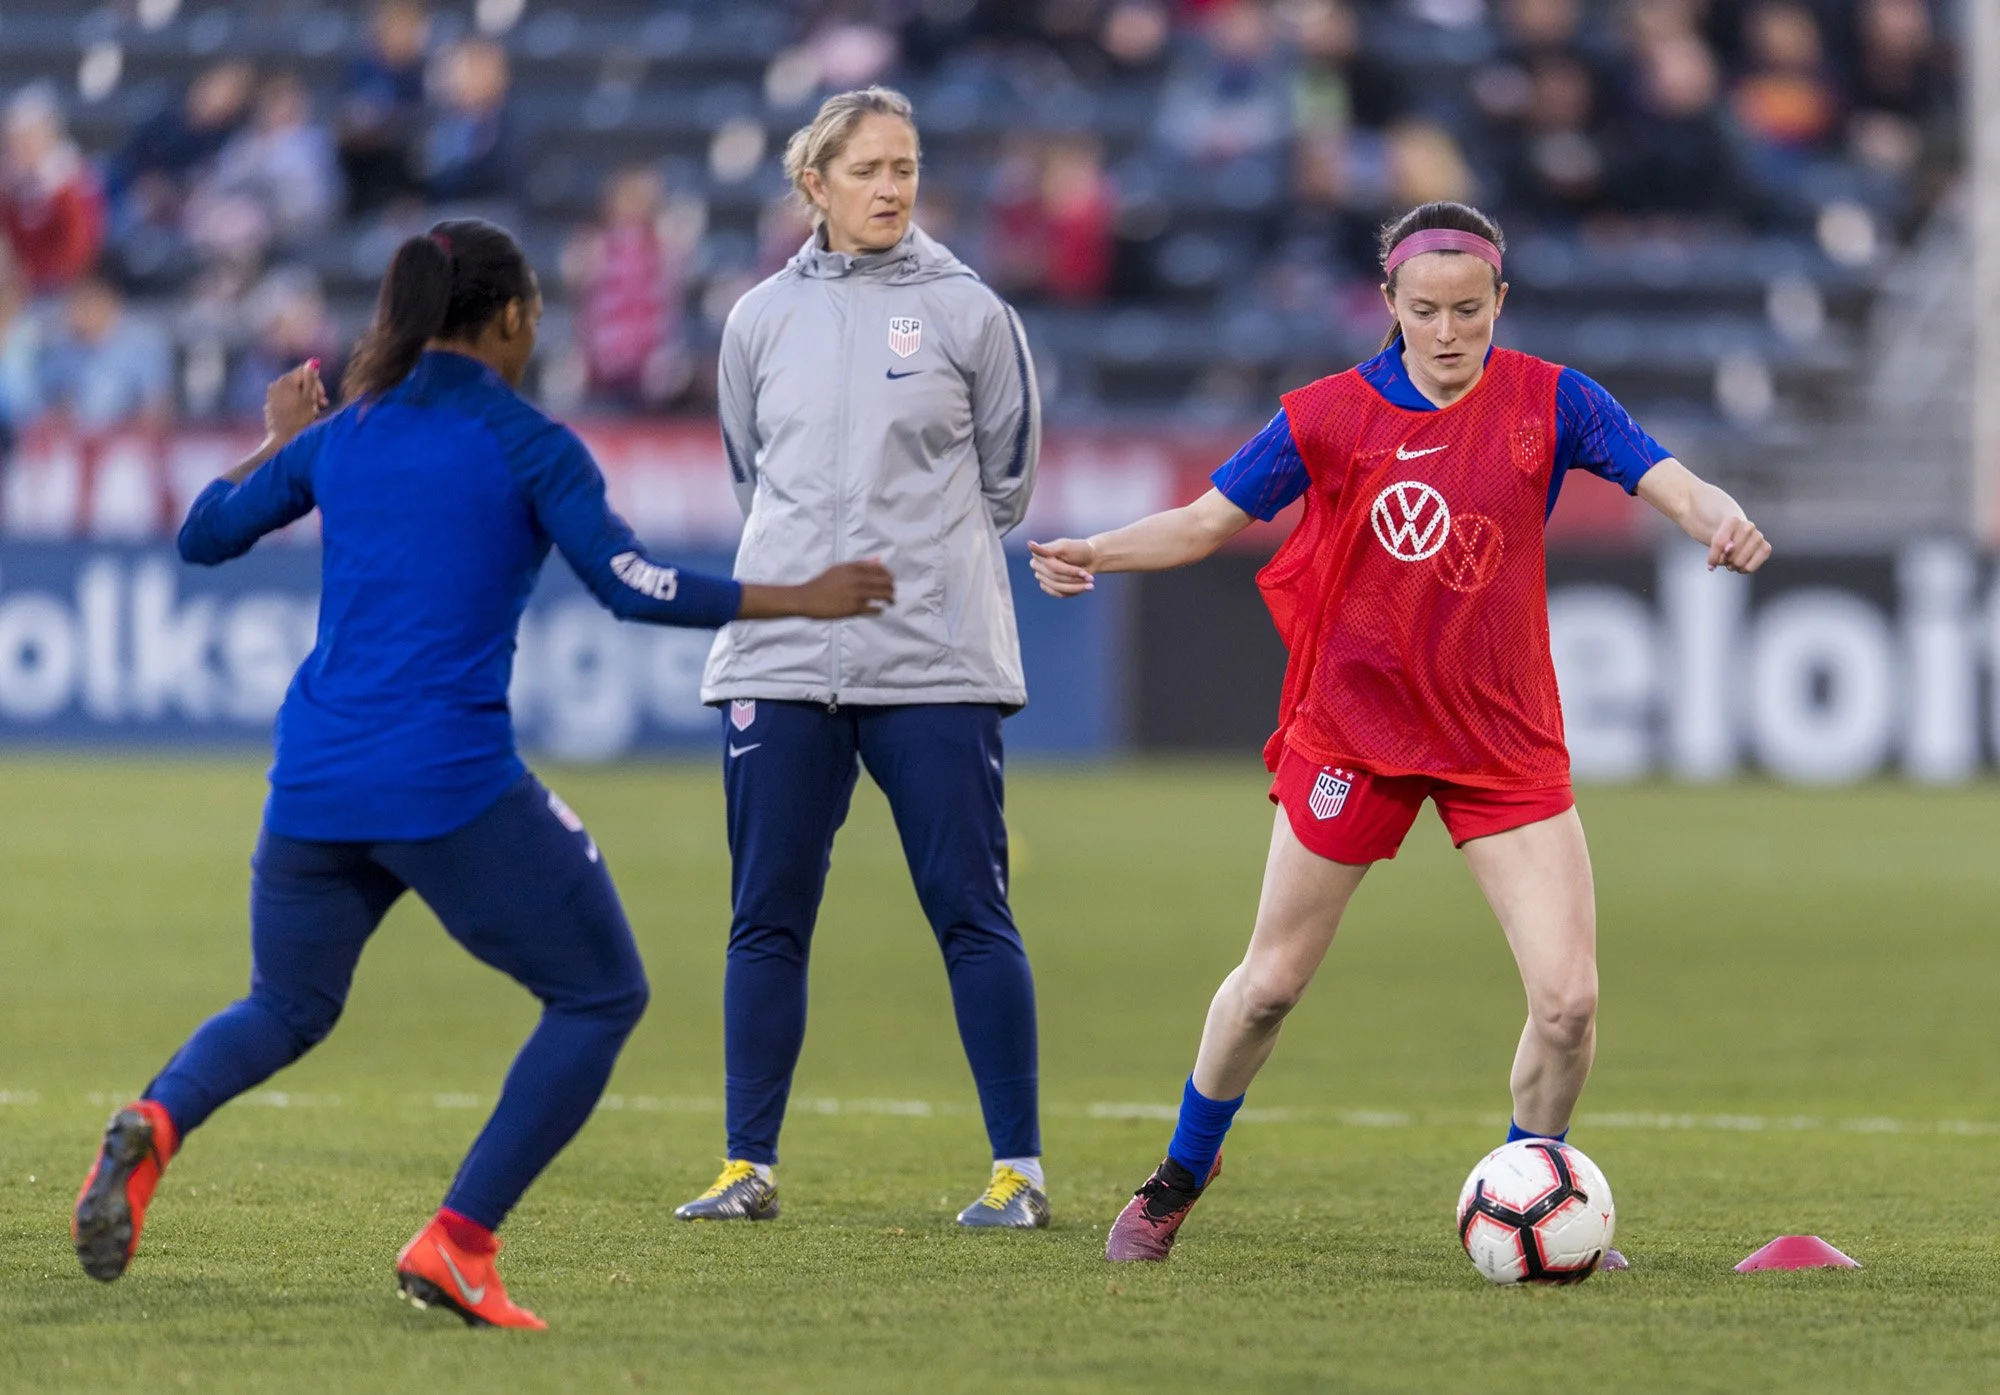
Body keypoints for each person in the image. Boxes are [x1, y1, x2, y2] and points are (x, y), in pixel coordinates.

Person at [69, 218, 892, 1327]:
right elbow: (630, 582)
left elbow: (204, 534)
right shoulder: (527, 441)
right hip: (443, 778)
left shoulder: (345, 434)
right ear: (508, 317)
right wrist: (800, 596)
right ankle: (457, 1244)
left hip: (313, 777)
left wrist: (277, 441)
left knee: (287, 1002)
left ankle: (155, 1125)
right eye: (536, 310)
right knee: (601, 993)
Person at [1028, 201, 1771, 1265]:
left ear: (1498, 302)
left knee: (1566, 1005)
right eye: (1424, 311)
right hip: (1354, 734)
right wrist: (1095, 550)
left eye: (1468, 310)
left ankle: (1535, 1181)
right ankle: (1179, 1174)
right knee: (1269, 985)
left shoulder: (1552, 401)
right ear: (1387, 305)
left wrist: (1720, 521)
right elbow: (1201, 523)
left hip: (1498, 740)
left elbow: (1669, 480)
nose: (1447, 331)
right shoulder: (1327, 415)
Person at [681, 86, 1047, 1229]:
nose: (892, 188)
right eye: (870, 170)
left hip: (930, 661)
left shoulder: (967, 312)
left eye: (906, 168)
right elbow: (755, 476)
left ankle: (1017, 1176)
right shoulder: (755, 320)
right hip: (780, 659)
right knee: (765, 915)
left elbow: (1008, 481)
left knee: (968, 911)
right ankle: (747, 1169)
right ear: (815, 184)